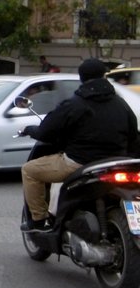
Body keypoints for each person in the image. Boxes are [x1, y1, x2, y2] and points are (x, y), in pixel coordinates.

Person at [20, 58, 138, 231]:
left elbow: (46, 131)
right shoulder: (121, 104)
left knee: (29, 171)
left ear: (82, 78)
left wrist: (31, 130)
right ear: (104, 77)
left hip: (80, 163)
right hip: (115, 163)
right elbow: (134, 135)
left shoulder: (75, 104)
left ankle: (39, 221)